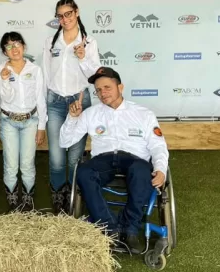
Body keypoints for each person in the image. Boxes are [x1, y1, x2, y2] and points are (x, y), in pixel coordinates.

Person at [61, 67, 169, 254]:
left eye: (107, 87)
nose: (103, 93)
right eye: (98, 90)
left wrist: (160, 168)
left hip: (135, 159)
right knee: (84, 172)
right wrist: (72, 118)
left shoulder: (143, 114)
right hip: (104, 159)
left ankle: (131, 228)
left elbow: (158, 146)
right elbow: (65, 141)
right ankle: (111, 229)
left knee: (142, 170)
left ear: (121, 87)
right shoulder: (91, 113)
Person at [42, 0, 101, 213]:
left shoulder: (89, 42)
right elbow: (47, 76)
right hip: (55, 102)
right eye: (60, 15)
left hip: (80, 101)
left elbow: (95, 76)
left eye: (68, 14)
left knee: (75, 157)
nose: (64, 19)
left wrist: (84, 57)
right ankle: (59, 195)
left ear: (77, 13)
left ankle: (74, 197)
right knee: (57, 157)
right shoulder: (50, 42)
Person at [0, 32, 47, 211]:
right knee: (10, 164)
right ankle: (11, 202)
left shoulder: (35, 70)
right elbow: (7, 98)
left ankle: (27, 201)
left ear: (23, 46)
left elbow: (41, 99)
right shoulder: (0, 69)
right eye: (9, 46)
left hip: (30, 121)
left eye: (17, 44)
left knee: (27, 163)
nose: (14, 49)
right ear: (4, 51)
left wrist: (41, 126)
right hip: (9, 121)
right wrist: (5, 80)